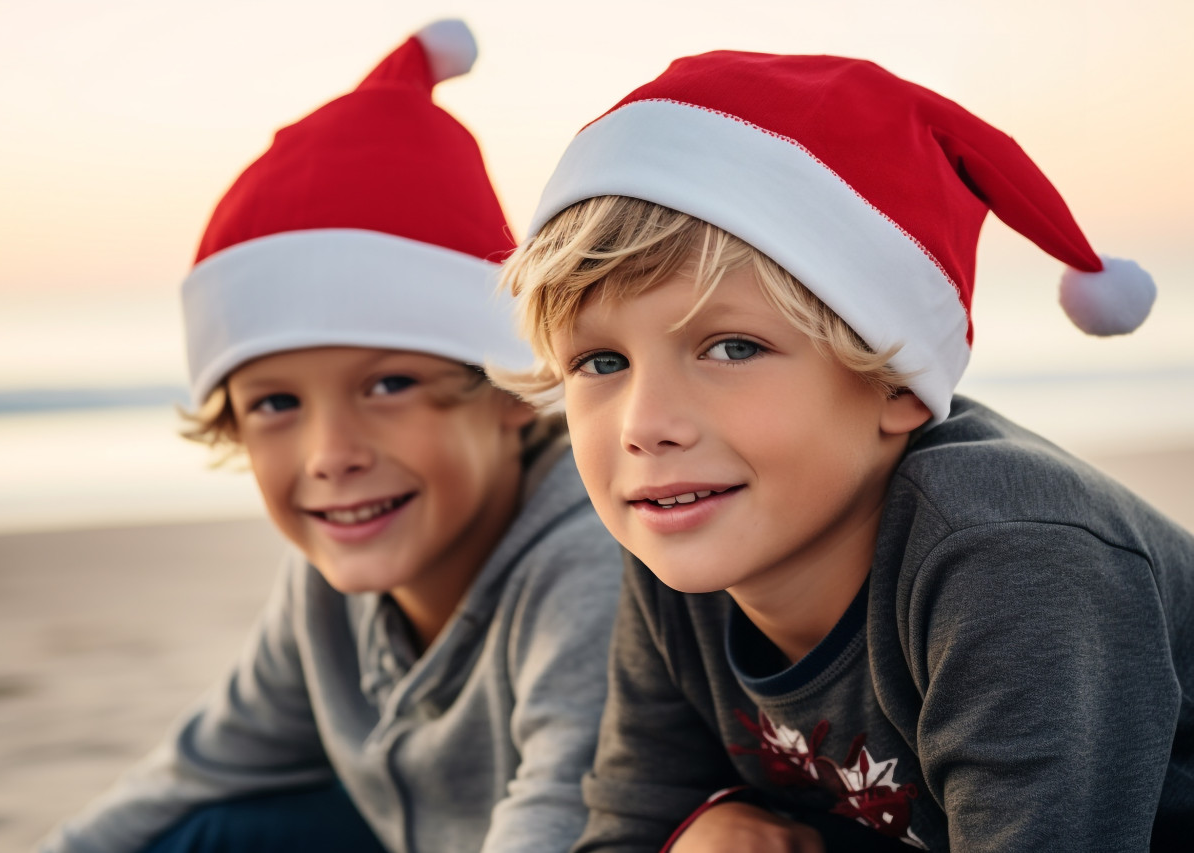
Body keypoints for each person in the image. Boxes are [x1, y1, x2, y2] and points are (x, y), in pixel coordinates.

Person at [496, 50, 1193, 851]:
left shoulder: (1012, 559)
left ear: (896, 382)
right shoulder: (687, 537)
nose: (644, 425)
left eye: (730, 348)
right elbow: (627, 822)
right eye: (601, 363)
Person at [38, 20, 621, 853]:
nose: (329, 454)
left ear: (507, 391)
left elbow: (562, 812)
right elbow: (198, 768)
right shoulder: (325, 588)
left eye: (388, 384)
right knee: (202, 830)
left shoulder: (585, 556)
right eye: (275, 403)